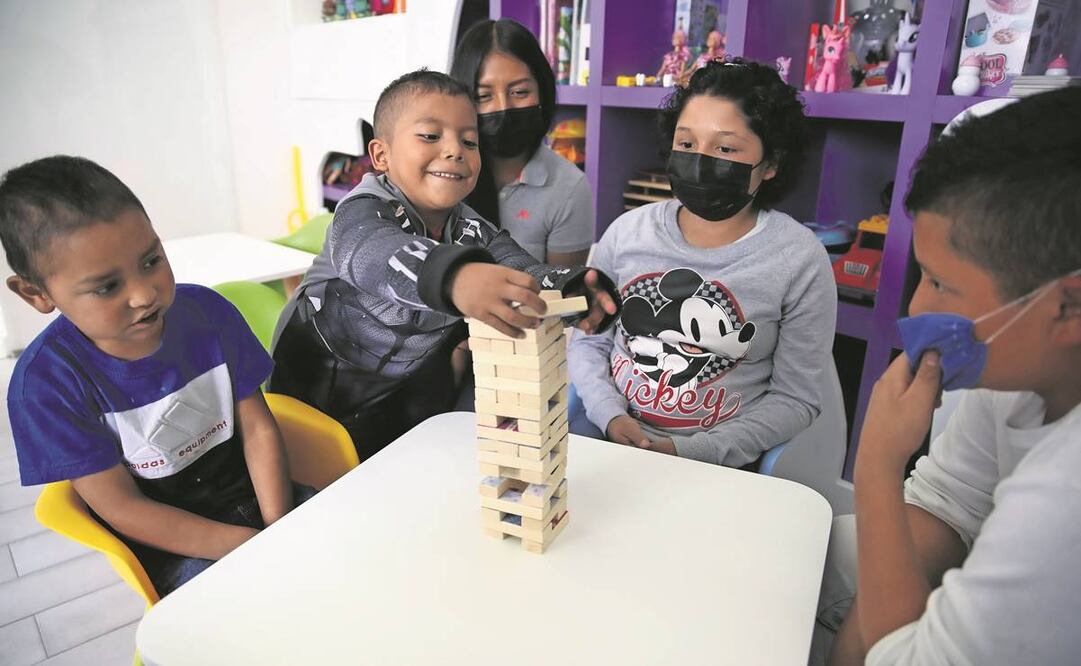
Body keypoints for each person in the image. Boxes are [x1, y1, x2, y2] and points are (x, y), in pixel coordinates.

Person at [817, 88, 1081, 665]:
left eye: (941, 283)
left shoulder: (1063, 504)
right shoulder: (1017, 377)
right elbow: (949, 501)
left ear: (1067, 307)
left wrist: (879, 464)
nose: (916, 307)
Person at [0, 156, 312, 597]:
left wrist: (277, 526)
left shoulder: (209, 312)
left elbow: (258, 429)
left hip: (263, 503)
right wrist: (245, 546)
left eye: (151, 260)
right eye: (107, 286)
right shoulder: (45, 386)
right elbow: (122, 507)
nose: (145, 294)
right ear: (36, 293)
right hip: (173, 548)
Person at [269, 70, 619, 460]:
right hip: (309, 390)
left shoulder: (469, 227)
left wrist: (570, 288)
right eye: (431, 136)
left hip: (395, 394)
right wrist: (455, 277)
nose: (455, 150)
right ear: (381, 155)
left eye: (469, 141)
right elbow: (371, 253)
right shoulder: (363, 209)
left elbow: (518, 266)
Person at [567, 58, 836, 468]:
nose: (700, 160)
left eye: (726, 148)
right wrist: (609, 414)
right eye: (687, 144)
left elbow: (796, 398)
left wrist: (693, 450)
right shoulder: (626, 234)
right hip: (605, 444)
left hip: (716, 470)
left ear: (772, 164)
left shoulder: (800, 259)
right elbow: (591, 341)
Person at [451, 18, 594, 266]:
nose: (503, 108)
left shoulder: (569, 188)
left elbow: (564, 296)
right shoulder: (442, 171)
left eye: (519, 92)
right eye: (484, 96)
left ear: (542, 91)